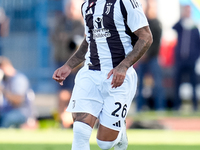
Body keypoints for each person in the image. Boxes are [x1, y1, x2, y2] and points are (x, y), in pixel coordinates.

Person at [53, 0, 152, 149]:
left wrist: (123, 66)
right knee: (80, 131)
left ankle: (119, 134)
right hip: (90, 73)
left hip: (118, 76)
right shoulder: (86, 6)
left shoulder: (125, 2)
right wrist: (69, 65)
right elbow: (89, 40)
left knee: (104, 143)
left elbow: (146, 37)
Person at [50, 0, 85, 128]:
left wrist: (65, 37)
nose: (71, 10)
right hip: (61, 61)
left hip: (77, 66)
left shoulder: (83, 23)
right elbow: (53, 37)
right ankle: (62, 122)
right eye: (69, 7)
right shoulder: (60, 22)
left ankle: (75, 122)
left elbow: (79, 41)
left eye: (73, 7)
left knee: (74, 95)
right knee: (62, 93)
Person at [135, 0, 165, 112]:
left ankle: (160, 107)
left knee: (157, 84)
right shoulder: (142, 22)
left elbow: (156, 43)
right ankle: (139, 107)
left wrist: (146, 54)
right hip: (142, 58)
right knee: (139, 85)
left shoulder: (157, 23)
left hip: (153, 57)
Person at [172, 5, 200, 111]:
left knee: (193, 83)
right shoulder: (181, 25)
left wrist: (195, 57)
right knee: (177, 83)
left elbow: (198, 44)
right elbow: (173, 27)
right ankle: (177, 106)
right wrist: (181, 18)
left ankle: (194, 106)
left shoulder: (194, 27)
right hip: (180, 60)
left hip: (190, 60)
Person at [0, 56, 35, 128]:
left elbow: (18, 100)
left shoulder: (18, 79)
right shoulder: (5, 80)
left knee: (7, 119)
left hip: (23, 112)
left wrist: (3, 91)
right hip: (8, 111)